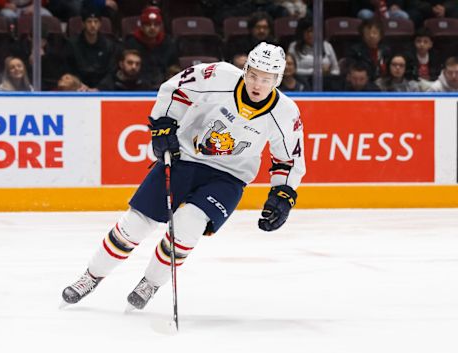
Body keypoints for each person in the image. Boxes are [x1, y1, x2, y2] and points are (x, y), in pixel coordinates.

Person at [61, 42, 306, 310]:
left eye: (267, 79)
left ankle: (151, 282)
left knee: (188, 227)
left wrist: (282, 194)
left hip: (229, 177)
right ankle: (91, 276)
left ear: (278, 80)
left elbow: (288, 159)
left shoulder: (286, 113)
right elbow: (175, 88)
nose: (257, 84)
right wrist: (164, 124)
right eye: (253, 75)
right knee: (135, 224)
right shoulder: (219, 75)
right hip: (185, 158)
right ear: (245, 69)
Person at [123, 6, 178, 89]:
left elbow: (174, 66)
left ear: (160, 26)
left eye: (156, 24)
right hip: (136, 87)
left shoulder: (168, 43)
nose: (152, 27)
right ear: (141, 26)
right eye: (148, 24)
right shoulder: (131, 43)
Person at [64, 5, 118, 88]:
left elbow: (111, 72)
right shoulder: (72, 44)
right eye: (89, 21)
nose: (93, 25)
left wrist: (99, 88)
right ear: (83, 24)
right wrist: (79, 85)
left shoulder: (109, 45)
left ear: (100, 24)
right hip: (78, 88)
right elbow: (69, 69)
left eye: (96, 21)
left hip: (102, 89)